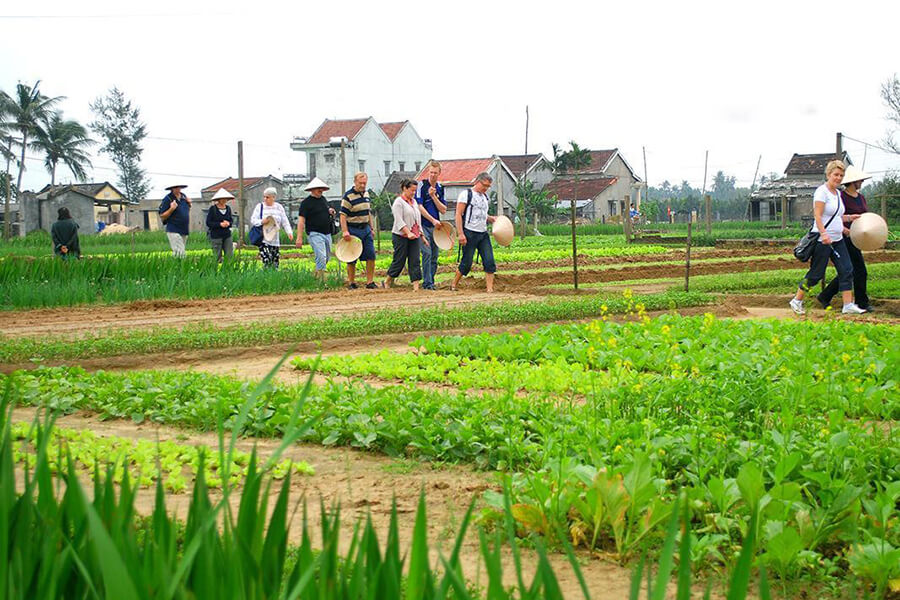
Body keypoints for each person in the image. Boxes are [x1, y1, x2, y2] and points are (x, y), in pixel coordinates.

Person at [789, 160, 866, 315]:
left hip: (838, 240)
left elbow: (836, 216)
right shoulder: (821, 192)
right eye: (835, 175)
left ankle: (848, 305)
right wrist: (824, 234)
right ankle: (797, 300)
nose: (838, 178)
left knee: (847, 270)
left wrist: (849, 218)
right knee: (815, 275)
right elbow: (818, 215)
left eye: (841, 175)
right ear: (829, 174)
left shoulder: (837, 194)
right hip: (823, 241)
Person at [817, 166, 873, 311]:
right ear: (853, 181)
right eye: (860, 180)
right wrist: (845, 230)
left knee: (849, 270)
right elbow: (835, 216)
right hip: (844, 236)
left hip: (857, 237)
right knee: (858, 270)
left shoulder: (861, 198)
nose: (861, 182)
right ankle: (861, 302)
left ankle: (825, 295)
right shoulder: (841, 197)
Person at [450, 171, 497, 292]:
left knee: (489, 260)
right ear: (477, 182)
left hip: (483, 233)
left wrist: (490, 218)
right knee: (467, 262)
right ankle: (454, 284)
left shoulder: (485, 197)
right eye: (484, 185)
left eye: (488, 186)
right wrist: (461, 234)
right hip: (469, 232)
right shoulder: (466, 194)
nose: (486, 188)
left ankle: (490, 289)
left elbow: (482, 214)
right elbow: (458, 214)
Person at [384, 179, 427, 290]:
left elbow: (418, 220)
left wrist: (422, 235)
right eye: (412, 190)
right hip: (400, 236)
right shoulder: (398, 202)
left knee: (415, 260)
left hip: (414, 235)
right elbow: (399, 220)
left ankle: (416, 286)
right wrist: (408, 233)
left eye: (415, 191)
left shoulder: (414, 202)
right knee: (399, 260)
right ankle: (388, 280)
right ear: (404, 188)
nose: (413, 193)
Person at [340, 172, 377, 289]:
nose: (362, 185)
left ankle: (370, 282)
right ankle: (351, 282)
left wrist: (371, 228)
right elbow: (343, 215)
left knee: (371, 255)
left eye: (364, 183)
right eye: (360, 183)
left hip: (365, 229)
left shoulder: (366, 194)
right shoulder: (348, 196)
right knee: (352, 257)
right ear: (355, 182)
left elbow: (368, 212)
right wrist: (345, 231)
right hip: (353, 229)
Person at [415, 161, 447, 290]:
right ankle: (427, 283)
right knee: (427, 253)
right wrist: (432, 220)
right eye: (431, 172)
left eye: (435, 173)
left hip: (436, 227)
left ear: (439, 173)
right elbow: (419, 206)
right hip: (423, 225)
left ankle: (431, 281)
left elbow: (443, 209)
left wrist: (434, 197)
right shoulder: (421, 185)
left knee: (434, 255)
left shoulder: (440, 187)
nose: (432, 175)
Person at [296, 177, 336, 280]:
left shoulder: (323, 200)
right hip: (314, 233)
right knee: (321, 256)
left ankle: (316, 275)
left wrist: (330, 211)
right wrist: (299, 237)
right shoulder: (306, 203)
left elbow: (325, 210)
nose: (320, 190)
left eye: (321, 188)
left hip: (327, 233)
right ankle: (322, 280)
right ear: (312, 189)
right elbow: (301, 220)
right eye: (318, 188)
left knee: (327, 257)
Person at [251, 187, 293, 268]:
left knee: (275, 262)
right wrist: (262, 221)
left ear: (273, 197)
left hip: (275, 239)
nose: (265, 199)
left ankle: (273, 275)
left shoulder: (279, 207)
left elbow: (285, 221)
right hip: (263, 238)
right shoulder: (260, 207)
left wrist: (289, 232)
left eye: (267, 197)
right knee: (267, 260)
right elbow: (253, 220)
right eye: (264, 197)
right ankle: (266, 274)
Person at [158, 184, 191, 257]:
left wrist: (189, 204)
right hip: (173, 229)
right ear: (172, 189)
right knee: (180, 252)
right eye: (175, 187)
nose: (178, 189)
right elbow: (162, 215)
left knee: (178, 252)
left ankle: (176, 263)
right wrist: (171, 209)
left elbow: (185, 211)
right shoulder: (168, 199)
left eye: (179, 187)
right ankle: (182, 263)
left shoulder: (184, 197)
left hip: (184, 229)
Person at [206, 187, 235, 262]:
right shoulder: (213, 209)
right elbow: (208, 222)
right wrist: (220, 224)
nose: (224, 200)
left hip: (227, 235)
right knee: (217, 256)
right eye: (222, 198)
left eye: (225, 198)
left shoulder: (228, 208)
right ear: (218, 199)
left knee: (229, 255)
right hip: (216, 235)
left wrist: (228, 223)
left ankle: (228, 267)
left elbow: (231, 221)